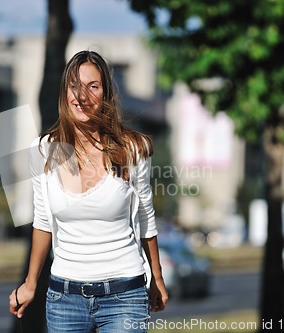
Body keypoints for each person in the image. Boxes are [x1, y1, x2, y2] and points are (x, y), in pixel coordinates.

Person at [9, 50, 168, 332]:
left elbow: (145, 216)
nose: (81, 96)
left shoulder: (132, 149)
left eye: (92, 87)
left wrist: (156, 277)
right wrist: (30, 282)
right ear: (64, 93)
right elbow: (43, 221)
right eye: (74, 86)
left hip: (125, 295)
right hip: (65, 298)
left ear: (106, 95)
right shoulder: (43, 150)